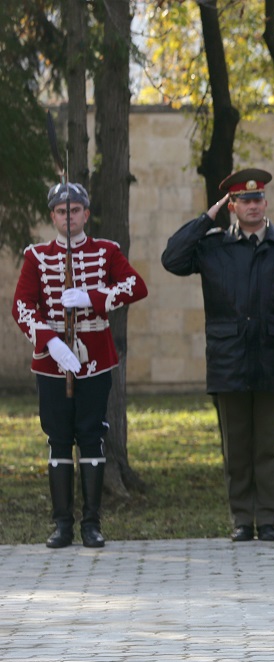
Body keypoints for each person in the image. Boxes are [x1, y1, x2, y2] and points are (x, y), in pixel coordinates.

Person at [161, 169, 274, 543]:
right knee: (235, 449)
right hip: (228, 359)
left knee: (267, 448)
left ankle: (267, 520)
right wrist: (206, 218)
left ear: (266, 203)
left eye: (258, 199)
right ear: (231, 206)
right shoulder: (213, 247)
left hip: (272, 358)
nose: (252, 205)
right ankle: (240, 520)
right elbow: (172, 257)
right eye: (244, 201)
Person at [12, 181, 148, 548]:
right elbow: (22, 307)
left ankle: (91, 523)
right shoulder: (36, 257)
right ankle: (62, 525)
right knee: (58, 439)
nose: (68, 217)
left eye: (74, 211)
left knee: (91, 436)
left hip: (95, 360)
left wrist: (93, 296)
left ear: (85, 214)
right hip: (52, 362)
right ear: (52, 216)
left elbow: (136, 286)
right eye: (61, 211)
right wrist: (50, 341)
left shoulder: (106, 252)